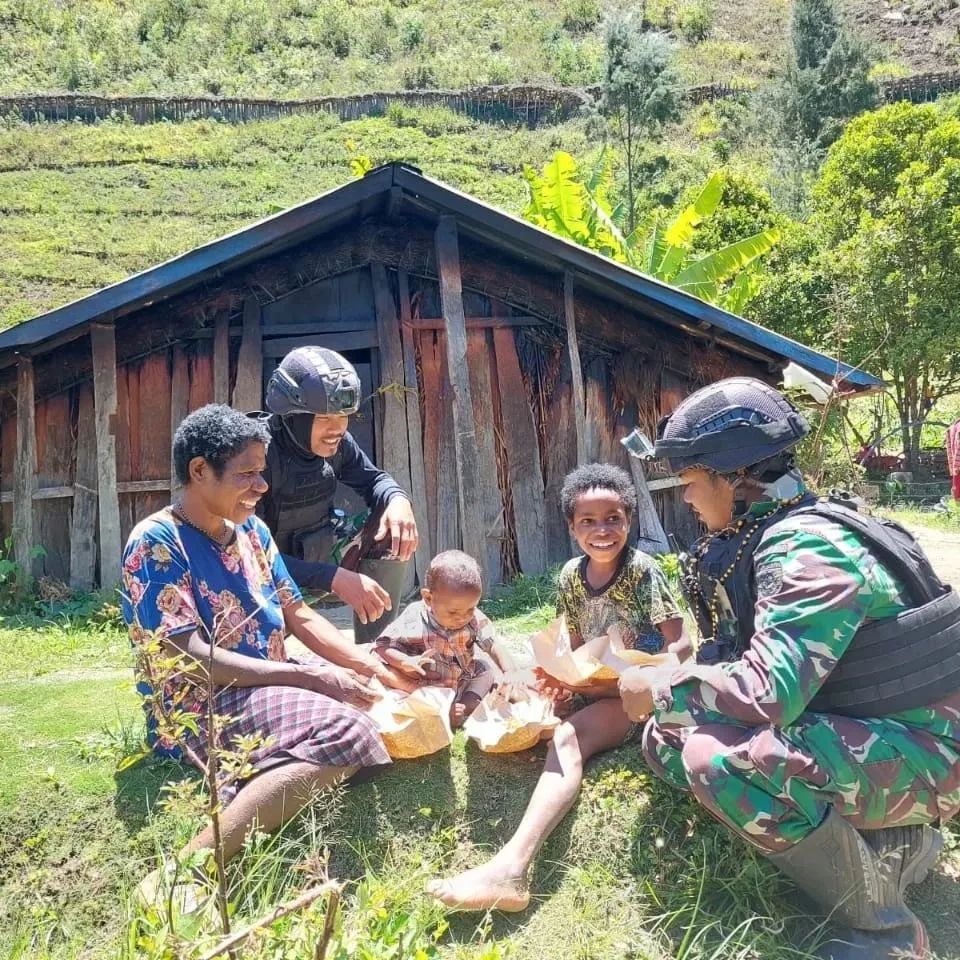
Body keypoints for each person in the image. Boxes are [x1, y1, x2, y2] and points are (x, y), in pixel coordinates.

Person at [616, 377, 960, 959]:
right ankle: (900, 843)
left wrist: (660, 688)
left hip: (931, 750)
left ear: (734, 478)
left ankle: (885, 933)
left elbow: (769, 691)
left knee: (719, 759)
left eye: (692, 482)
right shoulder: (779, 528)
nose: (689, 499)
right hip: (880, 729)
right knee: (670, 741)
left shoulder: (807, 548)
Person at [121, 404, 408, 906]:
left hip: (267, 680)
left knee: (375, 697)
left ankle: (259, 771)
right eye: (247, 474)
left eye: (261, 471)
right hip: (200, 703)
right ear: (199, 471)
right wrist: (311, 680)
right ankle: (188, 869)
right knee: (350, 728)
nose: (261, 486)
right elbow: (191, 657)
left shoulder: (253, 531)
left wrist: (365, 664)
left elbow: (299, 615)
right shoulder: (157, 542)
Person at [428, 463, 690, 911]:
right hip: (593, 683)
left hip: (631, 691)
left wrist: (647, 679)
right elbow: (570, 646)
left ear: (630, 519)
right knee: (520, 696)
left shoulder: (643, 572)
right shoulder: (571, 575)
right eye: (588, 521)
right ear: (572, 527)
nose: (602, 530)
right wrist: (555, 679)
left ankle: (511, 870)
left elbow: (681, 645)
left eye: (613, 517)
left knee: (568, 739)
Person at [256, 346, 420, 643]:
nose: (338, 429)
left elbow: (375, 481)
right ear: (292, 415)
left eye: (344, 416)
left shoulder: (339, 444)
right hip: (264, 580)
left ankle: (379, 650)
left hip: (317, 557)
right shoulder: (255, 456)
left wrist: (398, 500)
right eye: (324, 418)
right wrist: (332, 578)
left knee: (390, 530)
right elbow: (245, 556)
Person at [373, 550, 513, 727]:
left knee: (485, 670)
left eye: (470, 609)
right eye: (453, 612)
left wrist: (510, 671)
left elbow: (493, 645)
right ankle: (445, 711)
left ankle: (466, 705)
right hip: (429, 683)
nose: (462, 617)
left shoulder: (474, 618)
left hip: (463, 679)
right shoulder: (414, 618)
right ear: (428, 598)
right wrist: (405, 661)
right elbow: (382, 646)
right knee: (398, 689)